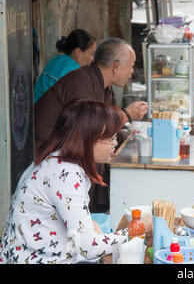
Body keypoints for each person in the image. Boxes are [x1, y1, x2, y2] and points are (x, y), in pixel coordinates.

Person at [0, 100, 153, 264]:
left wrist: (88, 225)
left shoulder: (54, 158)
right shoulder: (65, 173)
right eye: (111, 137)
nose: (115, 143)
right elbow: (89, 248)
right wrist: (139, 228)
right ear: (88, 139)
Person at [34, 38, 148, 212]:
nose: (132, 72)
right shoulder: (81, 82)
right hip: (49, 154)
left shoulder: (105, 89)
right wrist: (126, 115)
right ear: (116, 66)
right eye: (131, 66)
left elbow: (108, 129)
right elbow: (93, 129)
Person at [34, 29, 96, 104]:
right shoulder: (74, 71)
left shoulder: (57, 59)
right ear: (78, 52)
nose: (92, 59)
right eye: (91, 54)